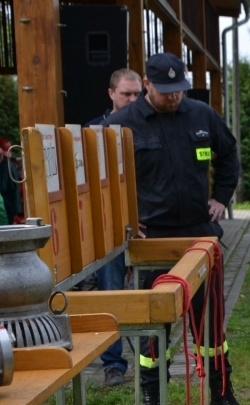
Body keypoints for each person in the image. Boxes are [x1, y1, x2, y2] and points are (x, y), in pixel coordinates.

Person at [105, 52, 250, 405]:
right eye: (166, 91)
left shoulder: (202, 115)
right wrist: (124, 220)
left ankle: (222, 396)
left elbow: (229, 152)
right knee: (154, 331)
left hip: (200, 237)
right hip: (152, 242)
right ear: (148, 85)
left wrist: (221, 195)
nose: (174, 98)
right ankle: (152, 403)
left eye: (179, 91)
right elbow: (105, 180)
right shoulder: (122, 125)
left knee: (211, 327)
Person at [86, 68, 143, 387]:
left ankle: (154, 361)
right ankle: (113, 364)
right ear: (111, 94)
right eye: (126, 94)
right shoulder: (93, 132)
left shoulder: (150, 126)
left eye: (138, 94)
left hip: (147, 225)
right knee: (109, 291)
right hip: (108, 228)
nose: (133, 100)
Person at [0, 137, 22, 225]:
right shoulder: (11, 163)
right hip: (12, 207)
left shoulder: (5, 165)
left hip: (7, 208)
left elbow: (3, 187)